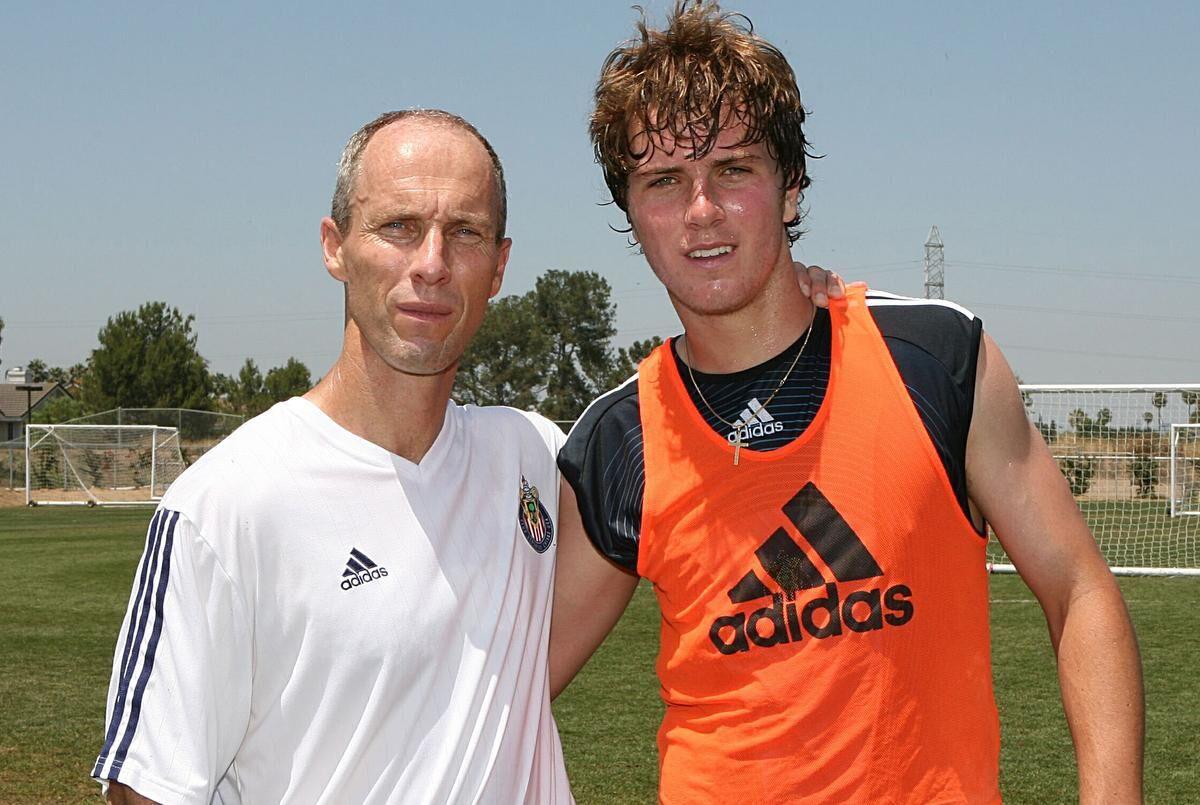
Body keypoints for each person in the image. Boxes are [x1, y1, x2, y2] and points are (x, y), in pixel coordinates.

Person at [550, 3, 1145, 803]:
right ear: (632, 214)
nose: (701, 211)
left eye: (734, 168)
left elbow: (1080, 589)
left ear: (790, 186)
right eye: (663, 181)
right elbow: (510, 689)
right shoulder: (619, 439)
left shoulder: (934, 360)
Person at [93, 110, 576, 804]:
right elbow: (148, 790)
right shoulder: (224, 506)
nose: (431, 263)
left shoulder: (532, 454)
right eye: (399, 227)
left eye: (464, 232)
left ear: (499, 266)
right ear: (335, 246)